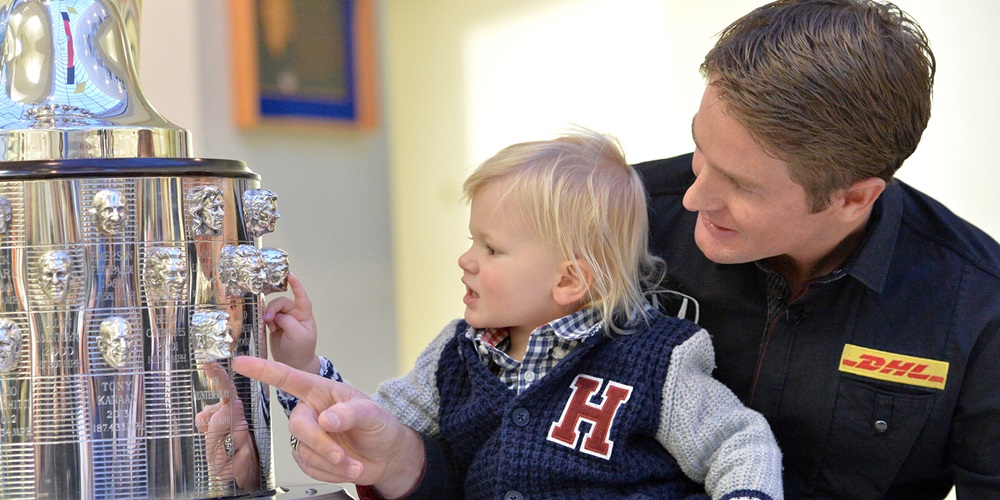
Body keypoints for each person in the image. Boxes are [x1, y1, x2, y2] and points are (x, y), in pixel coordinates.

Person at [236, 130, 784, 499]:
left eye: (491, 249)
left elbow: (737, 442)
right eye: (471, 240)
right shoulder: (455, 353)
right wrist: (304, 365)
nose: (465, 260)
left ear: (570, 279)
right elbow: (375, 426)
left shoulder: (657, 356)